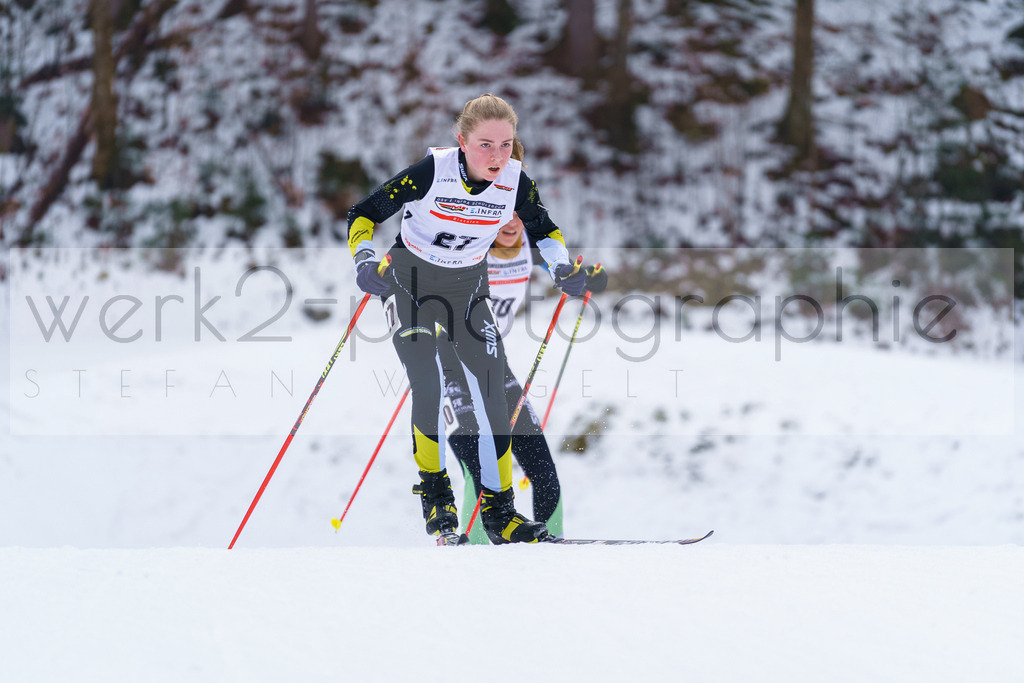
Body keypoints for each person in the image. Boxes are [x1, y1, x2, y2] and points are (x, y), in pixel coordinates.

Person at [347, 93, 589, 544]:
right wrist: (363, 259)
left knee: (493, 393)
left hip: (468, 288)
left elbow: (546, 230)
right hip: (410, 281)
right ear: (462, 141)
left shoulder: (516, 182)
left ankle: (501, 514)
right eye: (484, 144)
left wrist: (561, 268)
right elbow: (363, 211)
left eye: (505, 144)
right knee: (428, 380)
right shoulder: (432, 172)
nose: (496, 156)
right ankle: (435, 495)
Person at [438, 212, 607, 543]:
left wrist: (583, 279)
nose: (511, 223)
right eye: (501, 215)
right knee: (477, 463)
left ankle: (551, 540)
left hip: (492, 363)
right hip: (448, 361)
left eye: (517, 213)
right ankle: (474, 543)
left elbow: (561, 271)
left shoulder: (532, 246)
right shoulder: (472, 245)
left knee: (542, 468)